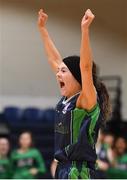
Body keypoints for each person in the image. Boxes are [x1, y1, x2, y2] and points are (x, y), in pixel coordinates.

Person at [38, 8, 111, 179]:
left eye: (63, 71)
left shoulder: (86, 99)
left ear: (76, 76)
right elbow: (54, 59)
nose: (58, 74)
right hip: (62, 168)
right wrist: (42, 29)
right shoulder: (66, 99)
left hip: (79, 171)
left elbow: (85, 68)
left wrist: (85, 30)